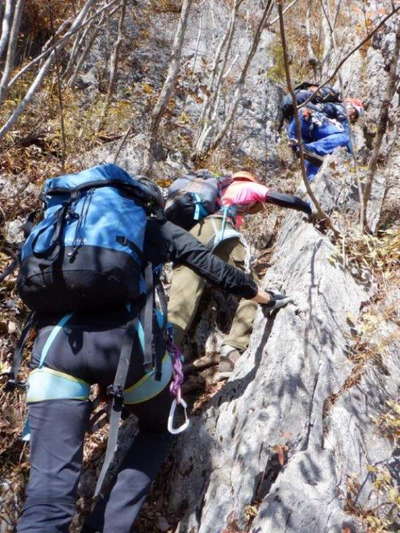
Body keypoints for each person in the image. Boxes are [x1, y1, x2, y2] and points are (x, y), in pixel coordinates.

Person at [16, 178, 287, 533]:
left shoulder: (61, 225)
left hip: (56, 350)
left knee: (47, 499)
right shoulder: (148, 225)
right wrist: (264, 298)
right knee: (160, 427)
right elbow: (209, 264)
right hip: (127, 350)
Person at [167, 170, 311, 379]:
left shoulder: (217, 193)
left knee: (182, 301)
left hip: (188, 236)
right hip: (218, 230)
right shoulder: (245, 186)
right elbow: (281, 198)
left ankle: (158, 358)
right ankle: (232, 349)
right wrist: (308, 208)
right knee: (250, 286)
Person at [286, 92, 364, 180]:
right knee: (343, 138)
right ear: (350, 105)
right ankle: (307, 148)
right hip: (311, 122)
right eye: (354, 112)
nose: (352, 117)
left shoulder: (330, 105)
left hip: (303, 130)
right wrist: (353, 155)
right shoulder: (340, 110)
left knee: (316, 158)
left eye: (354, 117)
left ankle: (310, 179)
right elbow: (347, 138)